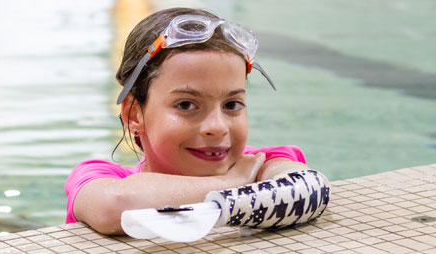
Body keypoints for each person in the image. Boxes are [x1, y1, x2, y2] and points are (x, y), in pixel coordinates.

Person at [65, 7, 307, 235]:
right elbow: (116, 204)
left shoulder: (262, 163)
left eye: (232, 105)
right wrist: (231, 182)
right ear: (134, 114)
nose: (217, 127)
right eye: (186, 105)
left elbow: (303, 186)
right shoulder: (101, 176)